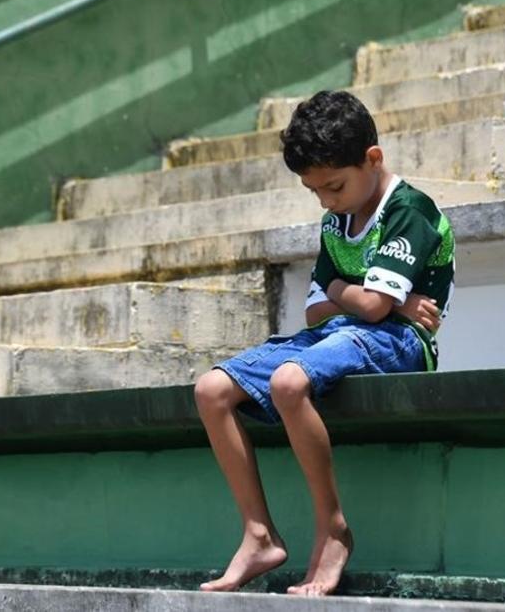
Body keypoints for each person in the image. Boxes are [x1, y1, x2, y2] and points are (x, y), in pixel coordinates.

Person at [194, 90, 455, 597]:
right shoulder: (337, 218)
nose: (326, 201)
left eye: (333, 186)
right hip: (338, 334)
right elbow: (317, 309)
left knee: (290, 382)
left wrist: (365, 298)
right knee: (210, 390)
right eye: (315, 192)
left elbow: (376, 312)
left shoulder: (409, 209)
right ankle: (259, 534)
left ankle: (333, 529)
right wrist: (371, 296)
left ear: (372, 159)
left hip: (401, 342)